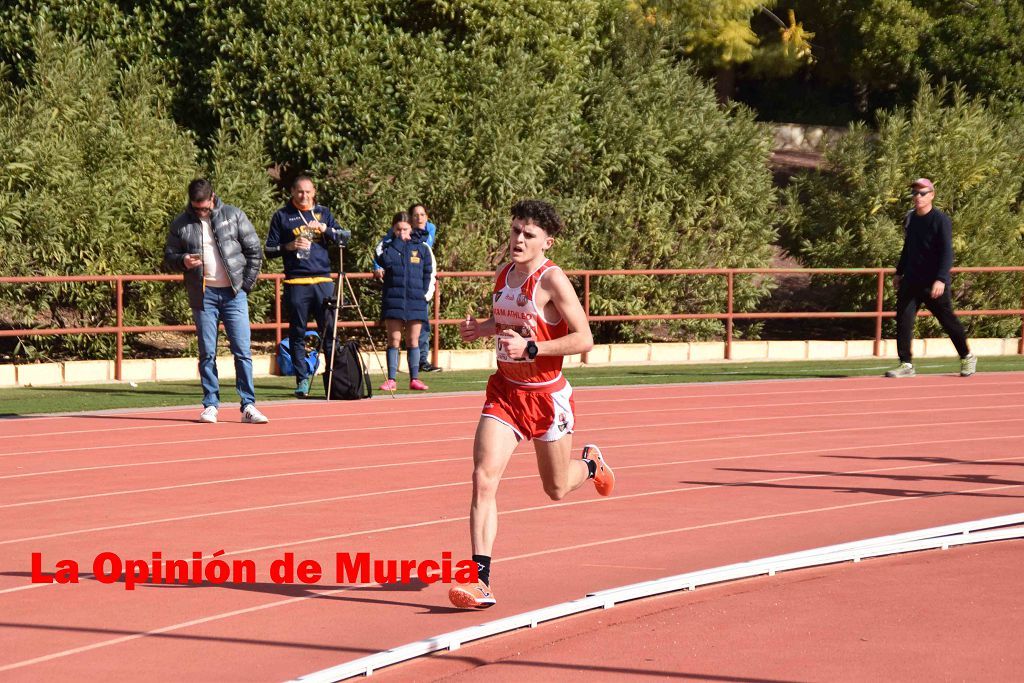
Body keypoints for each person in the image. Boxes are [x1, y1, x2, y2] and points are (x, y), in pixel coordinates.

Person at [448, 199, 615, 610]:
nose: (518, 239)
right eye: (515, 231)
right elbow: (507, 323)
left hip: (546, 397)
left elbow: (584, 339)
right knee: (482, 478)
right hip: (505, 392)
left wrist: (533, 348)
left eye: (528, 234)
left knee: (556, 488)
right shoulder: (503, 274)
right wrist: (481, 329)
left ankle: (591, 464)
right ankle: (479, 581)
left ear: (547, 242)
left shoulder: (553, 280)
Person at [163, 178, 269, 424]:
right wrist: (183, 261)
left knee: (242, 351)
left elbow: (254, 251)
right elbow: (168, 256)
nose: (201, 211)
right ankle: (210, 404)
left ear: (213, 198)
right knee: (207, 352)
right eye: (196, 207)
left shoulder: (234, 215)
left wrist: (246, 285)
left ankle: (249, 406)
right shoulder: (181, 223)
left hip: (233, 294)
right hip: (203, 296)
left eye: (204, 207)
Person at [265, 175, 351, 398]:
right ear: (293, 192)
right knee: (297, 333)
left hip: (322, 282)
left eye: (308, 192)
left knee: (329, 332)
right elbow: (269, 249)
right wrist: (290, 245)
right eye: (300, 192)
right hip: (297, 283)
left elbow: (344, 238)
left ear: (314, 192)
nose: (304, 196)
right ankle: (302, 378)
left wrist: (325, 229)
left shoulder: (323, 213)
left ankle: (334, 378)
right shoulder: (282, 216)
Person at [886, 178, 976, 378]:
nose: (918, 197)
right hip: (911, 280)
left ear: (932, 195)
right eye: (915, 193)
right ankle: (906, 364)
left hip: (933, 282)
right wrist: (899, 272)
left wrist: (941, 279)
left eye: (922, 193)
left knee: (948, 321)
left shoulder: (940, 220)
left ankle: (967, 356)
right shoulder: (911, 218)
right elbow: (907, 249)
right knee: (903, 320)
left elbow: (946, 253)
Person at [373, 203, 442, 373]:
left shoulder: (422, 247)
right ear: (393, 229)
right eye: (398, 229)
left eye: (405, 229)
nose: (402, 233)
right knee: (393, 340)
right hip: (394, 300)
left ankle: (416, 376)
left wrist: (425, 295)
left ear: (410, 228)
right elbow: (383, 260)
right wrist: (397, 243)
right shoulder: (387, 246)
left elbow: (429, 271)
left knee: (415, 339)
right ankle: (391, 377)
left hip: (416, 300)